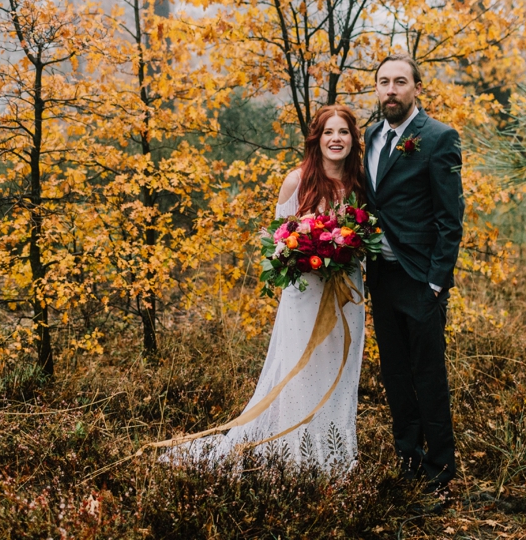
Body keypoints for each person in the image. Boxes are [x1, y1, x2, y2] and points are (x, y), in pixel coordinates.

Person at [159, 104, 367, 471]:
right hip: (305, 293)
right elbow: (278, 243)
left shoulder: (361, 184)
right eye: (329, 132)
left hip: (346, 292)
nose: (336, 139)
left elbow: (366, 238)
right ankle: (293, 457)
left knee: (340, 368)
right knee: (300, 369)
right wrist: (306, 251)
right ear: (316, 139)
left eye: (344, 132)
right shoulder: (297, 180)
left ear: (353, 139)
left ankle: (332, 456)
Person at [363, 54, 464, 500]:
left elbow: (450, 218)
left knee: (428, 376)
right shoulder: (370, 136)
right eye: (383, 82)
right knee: (396, 376)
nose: (390, 90)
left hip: (421, 280)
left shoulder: (439, 138)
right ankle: (408, 460)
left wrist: (436, 282)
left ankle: (441, 474)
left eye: (399, 82)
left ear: (416, 88)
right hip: (382, 277)